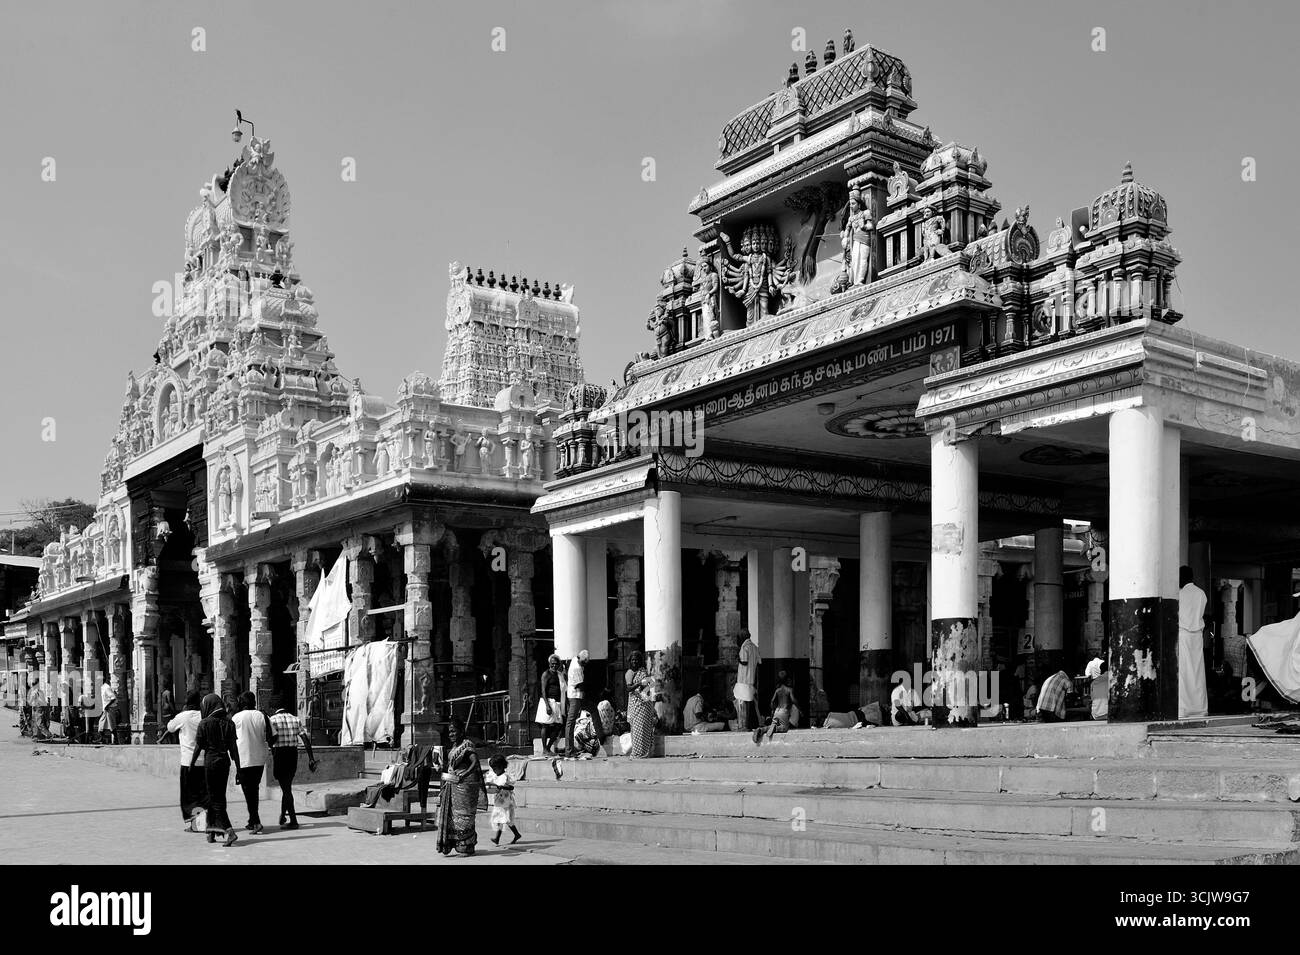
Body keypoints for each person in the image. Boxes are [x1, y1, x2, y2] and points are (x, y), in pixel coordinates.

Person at [191, 693, 241, 846]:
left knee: (214, 798)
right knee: (218, 796)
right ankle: (212, 831)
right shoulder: (229, 723)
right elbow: (234, 750)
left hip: (211, 762)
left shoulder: (204, 723)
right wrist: (239, 769)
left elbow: (198, 747)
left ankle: (229, 831)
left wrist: (191, 764)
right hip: (224, 763)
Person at [437, 717, 483, 856]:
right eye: (449, 732)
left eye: (453, 731)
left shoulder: (467, 745)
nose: (451, 734)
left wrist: (463, 775)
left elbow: (475, 763)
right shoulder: (453, 747)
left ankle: (467, 845)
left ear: (461, 731)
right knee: (454, 818)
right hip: (453, 786)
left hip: (465, 787)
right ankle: (456, 844)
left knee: (465, 817)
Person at [269, 701, 318, 830]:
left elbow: (269, 740)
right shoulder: (295, 719)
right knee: (287, 786)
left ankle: (294, 820)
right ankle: (283, 815)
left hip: (279, 754)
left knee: (286, 789)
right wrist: (311, 758)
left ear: (274, 707)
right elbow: (305, 739)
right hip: (292, 754)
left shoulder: (272, 720)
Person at [231, 691, 272, 834]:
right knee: (254, 789)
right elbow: (272, 737)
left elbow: (231, 740)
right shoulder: (262, 715)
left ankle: (256, 821)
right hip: (259, 758)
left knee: (248, 791)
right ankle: (252, 820)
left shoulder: (236, 717)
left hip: (243, 759)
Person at [168, 691, 207, 823]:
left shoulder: (183, 717)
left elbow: (170, 727)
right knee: (202, 793)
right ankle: (202, 822)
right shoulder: (204, 716)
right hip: (204, 760)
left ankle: (195, 823)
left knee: (189, 795)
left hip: (188, 761)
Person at [1178, 566, 1209, 719]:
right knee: (1197, 672)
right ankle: (1200, 708)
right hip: (1197, 636)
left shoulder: (1180, 594)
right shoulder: (1201, 593)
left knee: (1183, 673)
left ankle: (1184, 708)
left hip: (1183, 634)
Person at [564, 649, 604, 756]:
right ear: (581, 660)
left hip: (578, 696)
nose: (584, 665)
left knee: (593, 709)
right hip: (575, 697)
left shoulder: (575, 659)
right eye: (584, 663)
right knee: (570, 722)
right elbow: (580, 686)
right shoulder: (576, 668)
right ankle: (569, 750)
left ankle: (600, 735)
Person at [624, 650, 656, 757]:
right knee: (638, 728)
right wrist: (638, 683)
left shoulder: (643, 671)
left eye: (637, 660)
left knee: (646, 727)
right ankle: (638, 753)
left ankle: (646, 752)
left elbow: (650, 685)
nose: (634, 662)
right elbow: (628, 688)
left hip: (645, 703)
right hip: (636, 704)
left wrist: (647, 683)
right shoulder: (629, 673)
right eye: (633, 660)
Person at [485, 754, 521, 846]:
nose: (494, 770)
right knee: (503, 820)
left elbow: (511, 787)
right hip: (499, 802)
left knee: (503, 820)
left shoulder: (505, 776)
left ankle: (498, 838)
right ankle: (515, 834)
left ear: (501, 767)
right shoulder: (495, 777)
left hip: (506, 802)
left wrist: (502, 787)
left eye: (495, 768)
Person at [759, 671, 799, 743]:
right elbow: (793, 700)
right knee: (784, 728)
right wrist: (799, 707)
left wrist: (773, 710)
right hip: (784, 712)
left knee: (776, 724)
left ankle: (764, 729)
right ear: (787, 680)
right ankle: (774, 728)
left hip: (777, 711)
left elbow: (772, 701)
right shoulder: (789, 689)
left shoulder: (777, 690)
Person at [734, 629, 761, 731]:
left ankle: (744, 725)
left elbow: (744, 662)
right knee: (750, 703)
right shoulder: (754, 647)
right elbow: (759, 662)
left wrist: (738, 658)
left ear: (742, 637)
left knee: (742, 704)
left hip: (743, 680)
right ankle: (751, 725)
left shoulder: (744, 647)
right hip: (751, 680)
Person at [536, 654, 564, 754]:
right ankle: (544, 749)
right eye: (552, 664)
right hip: (547, 701)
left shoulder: (559, 675)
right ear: (549, 664)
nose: (554, 666)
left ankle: (548, 747)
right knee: (545, 725)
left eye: (556, 664)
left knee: (558, 725)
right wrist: (547, 705)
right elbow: (543, 690)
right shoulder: (546, 674)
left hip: (556, 702)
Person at [98, 677, 119, 745]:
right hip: (105, 709)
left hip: (110, 708)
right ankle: (102, 739)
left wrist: (107, 705)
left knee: (111, 724)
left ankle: (116, 740)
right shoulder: (102, 688)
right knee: (101, 723)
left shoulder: (106, 688)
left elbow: (113, 698)